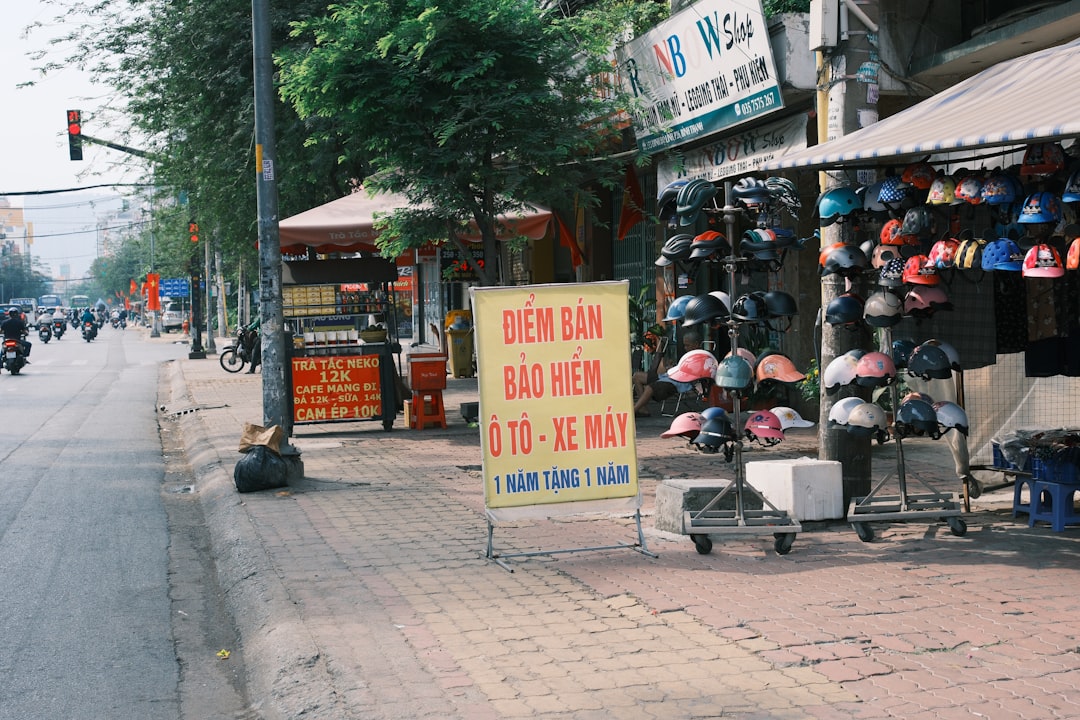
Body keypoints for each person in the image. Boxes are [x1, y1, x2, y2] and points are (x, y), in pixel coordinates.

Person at [632, 330, 703, 417]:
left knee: (649, 387)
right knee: (637, 376)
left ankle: (634, 410)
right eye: (684, 345)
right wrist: (672, 367)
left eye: (687, 345)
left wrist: (675, 370)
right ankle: (643, 409)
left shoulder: (700, 358)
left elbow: (691, 374)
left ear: (696, 344)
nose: (685, 348)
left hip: (678, 382)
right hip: (668, 376)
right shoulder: (688, 355)